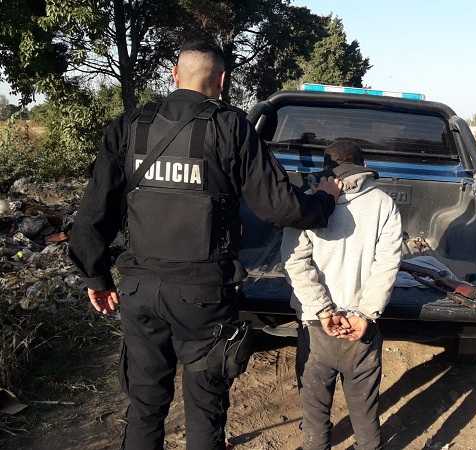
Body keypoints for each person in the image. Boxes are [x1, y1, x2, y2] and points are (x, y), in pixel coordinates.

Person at [68, 40, 341, 450]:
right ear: (222, 80)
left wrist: (96, 275)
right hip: (203, 297)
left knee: (144, 406)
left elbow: (93, 212)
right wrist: (324, 200)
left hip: (139, 290)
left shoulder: (130, 125)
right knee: (205, 410)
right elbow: (281, 207)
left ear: (174, 76)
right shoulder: (230, 127)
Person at [281, 140, 403, 450]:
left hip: (317, 328)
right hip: (362, 332)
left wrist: (323, 311)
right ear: (363, 167)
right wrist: (365, 315)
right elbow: (387, 264)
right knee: (365, 414)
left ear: (326, 169)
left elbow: (295, 261)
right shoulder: (383, 204)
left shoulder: (307, 204)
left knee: (315, 413)